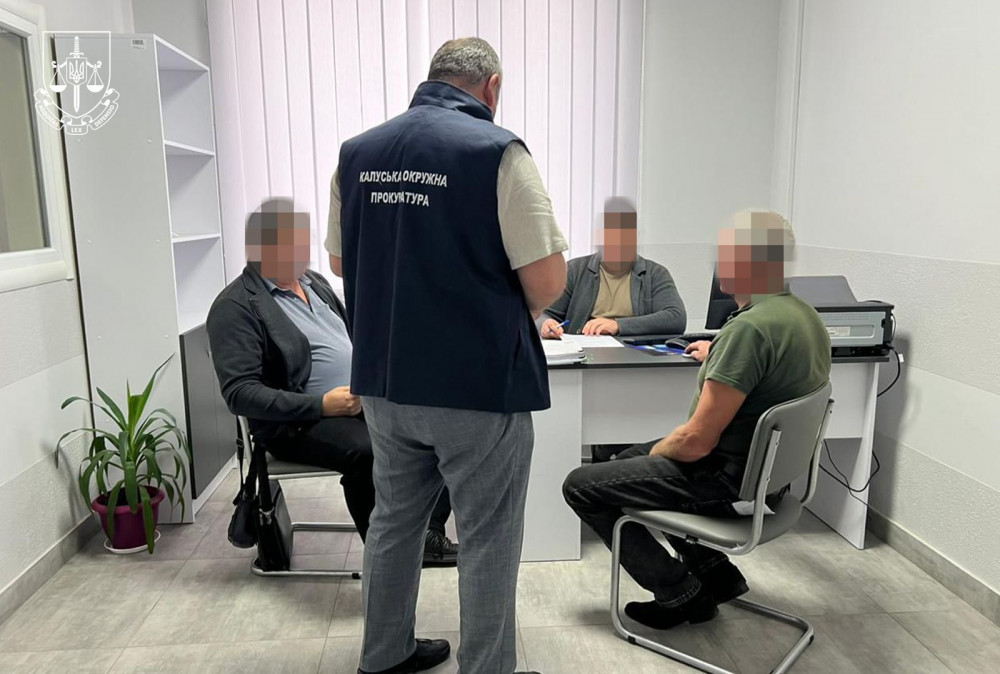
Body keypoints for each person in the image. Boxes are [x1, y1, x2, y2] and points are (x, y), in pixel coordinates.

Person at [327, 37, 565, 674]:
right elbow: (547, 283)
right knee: (487, 536)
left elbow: (341, 264)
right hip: (476, 387)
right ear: (492, 86)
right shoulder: (497, 152)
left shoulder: (358, 153)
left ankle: (383, 657)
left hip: (385, 382)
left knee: (394, 523)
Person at [562, 210, 831, 630]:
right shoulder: (803, 316)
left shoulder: (749, 331)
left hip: (724, 479)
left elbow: (695, 444)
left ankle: (680, 593)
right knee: (625, 464)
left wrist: (657, 452)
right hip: (769, 477)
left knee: (581, 486)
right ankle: (716, 575)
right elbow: (764, 371)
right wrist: (719, 353)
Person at [206, 198, 458, 565]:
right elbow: (240, 394)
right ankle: (389, 557)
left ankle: (426, 535)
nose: (301, 252)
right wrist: (322, 405)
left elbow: (355, 338)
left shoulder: (314, 283)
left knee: (440, 423)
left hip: (358, 402)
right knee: (369, 451)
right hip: (296, 423)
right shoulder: (235, 307)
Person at [538, 198, 686, 339]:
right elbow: (542, 314)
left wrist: (618, 325)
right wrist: (546, 324)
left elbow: (676, 317)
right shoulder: (575, 270)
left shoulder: (655, 274)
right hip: (585, 349)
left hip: (633, 352)